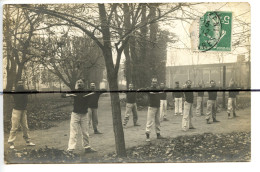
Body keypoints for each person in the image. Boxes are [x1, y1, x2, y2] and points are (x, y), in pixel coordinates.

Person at [62, 79, 96, 153]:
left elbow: (95, 92)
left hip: (84, 115)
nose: (79, 83)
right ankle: (70, 149)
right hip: (75, 115)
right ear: (76, 84)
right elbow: (62, 95)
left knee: (85, 132)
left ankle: (87, 148)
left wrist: (92, 90)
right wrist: (69, 95)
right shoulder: (74, 91)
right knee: (73, 132)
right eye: (78, 82)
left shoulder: (87, 91)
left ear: (84, 84)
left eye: (81, 82)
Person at [7, 80, 36, 149]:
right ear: (17, 85)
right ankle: (11, 142)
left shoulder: (25, 91)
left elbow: (33, 90)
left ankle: (28, 141)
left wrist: (33, 90)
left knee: (25, 126)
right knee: (14, 127)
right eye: (19, 83)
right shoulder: (16, 92)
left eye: (21, 83)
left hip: (23, 111)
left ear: (23, 84)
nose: (20, 85)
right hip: (16, 111)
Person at [140, 78, 165, 142]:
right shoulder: (149, 89)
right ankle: (147, 136)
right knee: (150, 121)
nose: (155, 83)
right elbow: (144, 90)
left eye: (155, 82)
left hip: (158, 107)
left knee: (158, 121)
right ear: (151, 83)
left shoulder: (158, 89)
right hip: (151, 107)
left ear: (157, 83)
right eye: (153, 82)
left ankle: (158, 134)